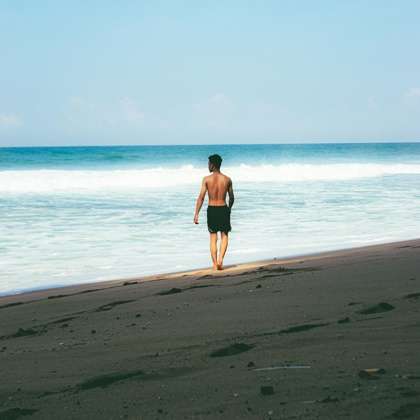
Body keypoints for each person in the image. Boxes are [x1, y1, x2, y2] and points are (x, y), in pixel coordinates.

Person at [193, 154, 234, 271]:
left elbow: (201, 197)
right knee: (224, 235)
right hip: (223, 208)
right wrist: (229, 209)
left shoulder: (206, 179)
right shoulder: (227, 179)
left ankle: (215, 264)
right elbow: (231, 197)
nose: (208, 166)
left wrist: (196, 213)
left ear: (212, 165)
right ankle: (221, 260)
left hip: (212, 210)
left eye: (208, 164)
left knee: (213, 238)